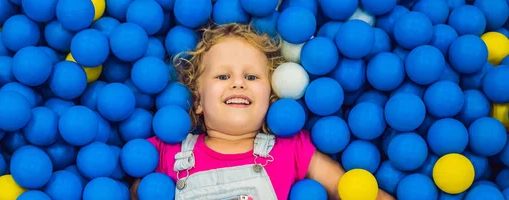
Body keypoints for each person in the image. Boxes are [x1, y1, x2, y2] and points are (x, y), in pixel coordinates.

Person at [131, 23, 395, 200]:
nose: (238, 82)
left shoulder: (291, 148)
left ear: (270, 98)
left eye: (252, 77)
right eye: (223, 76)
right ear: (198, 101)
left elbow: (349, 190)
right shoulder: (169, 152)